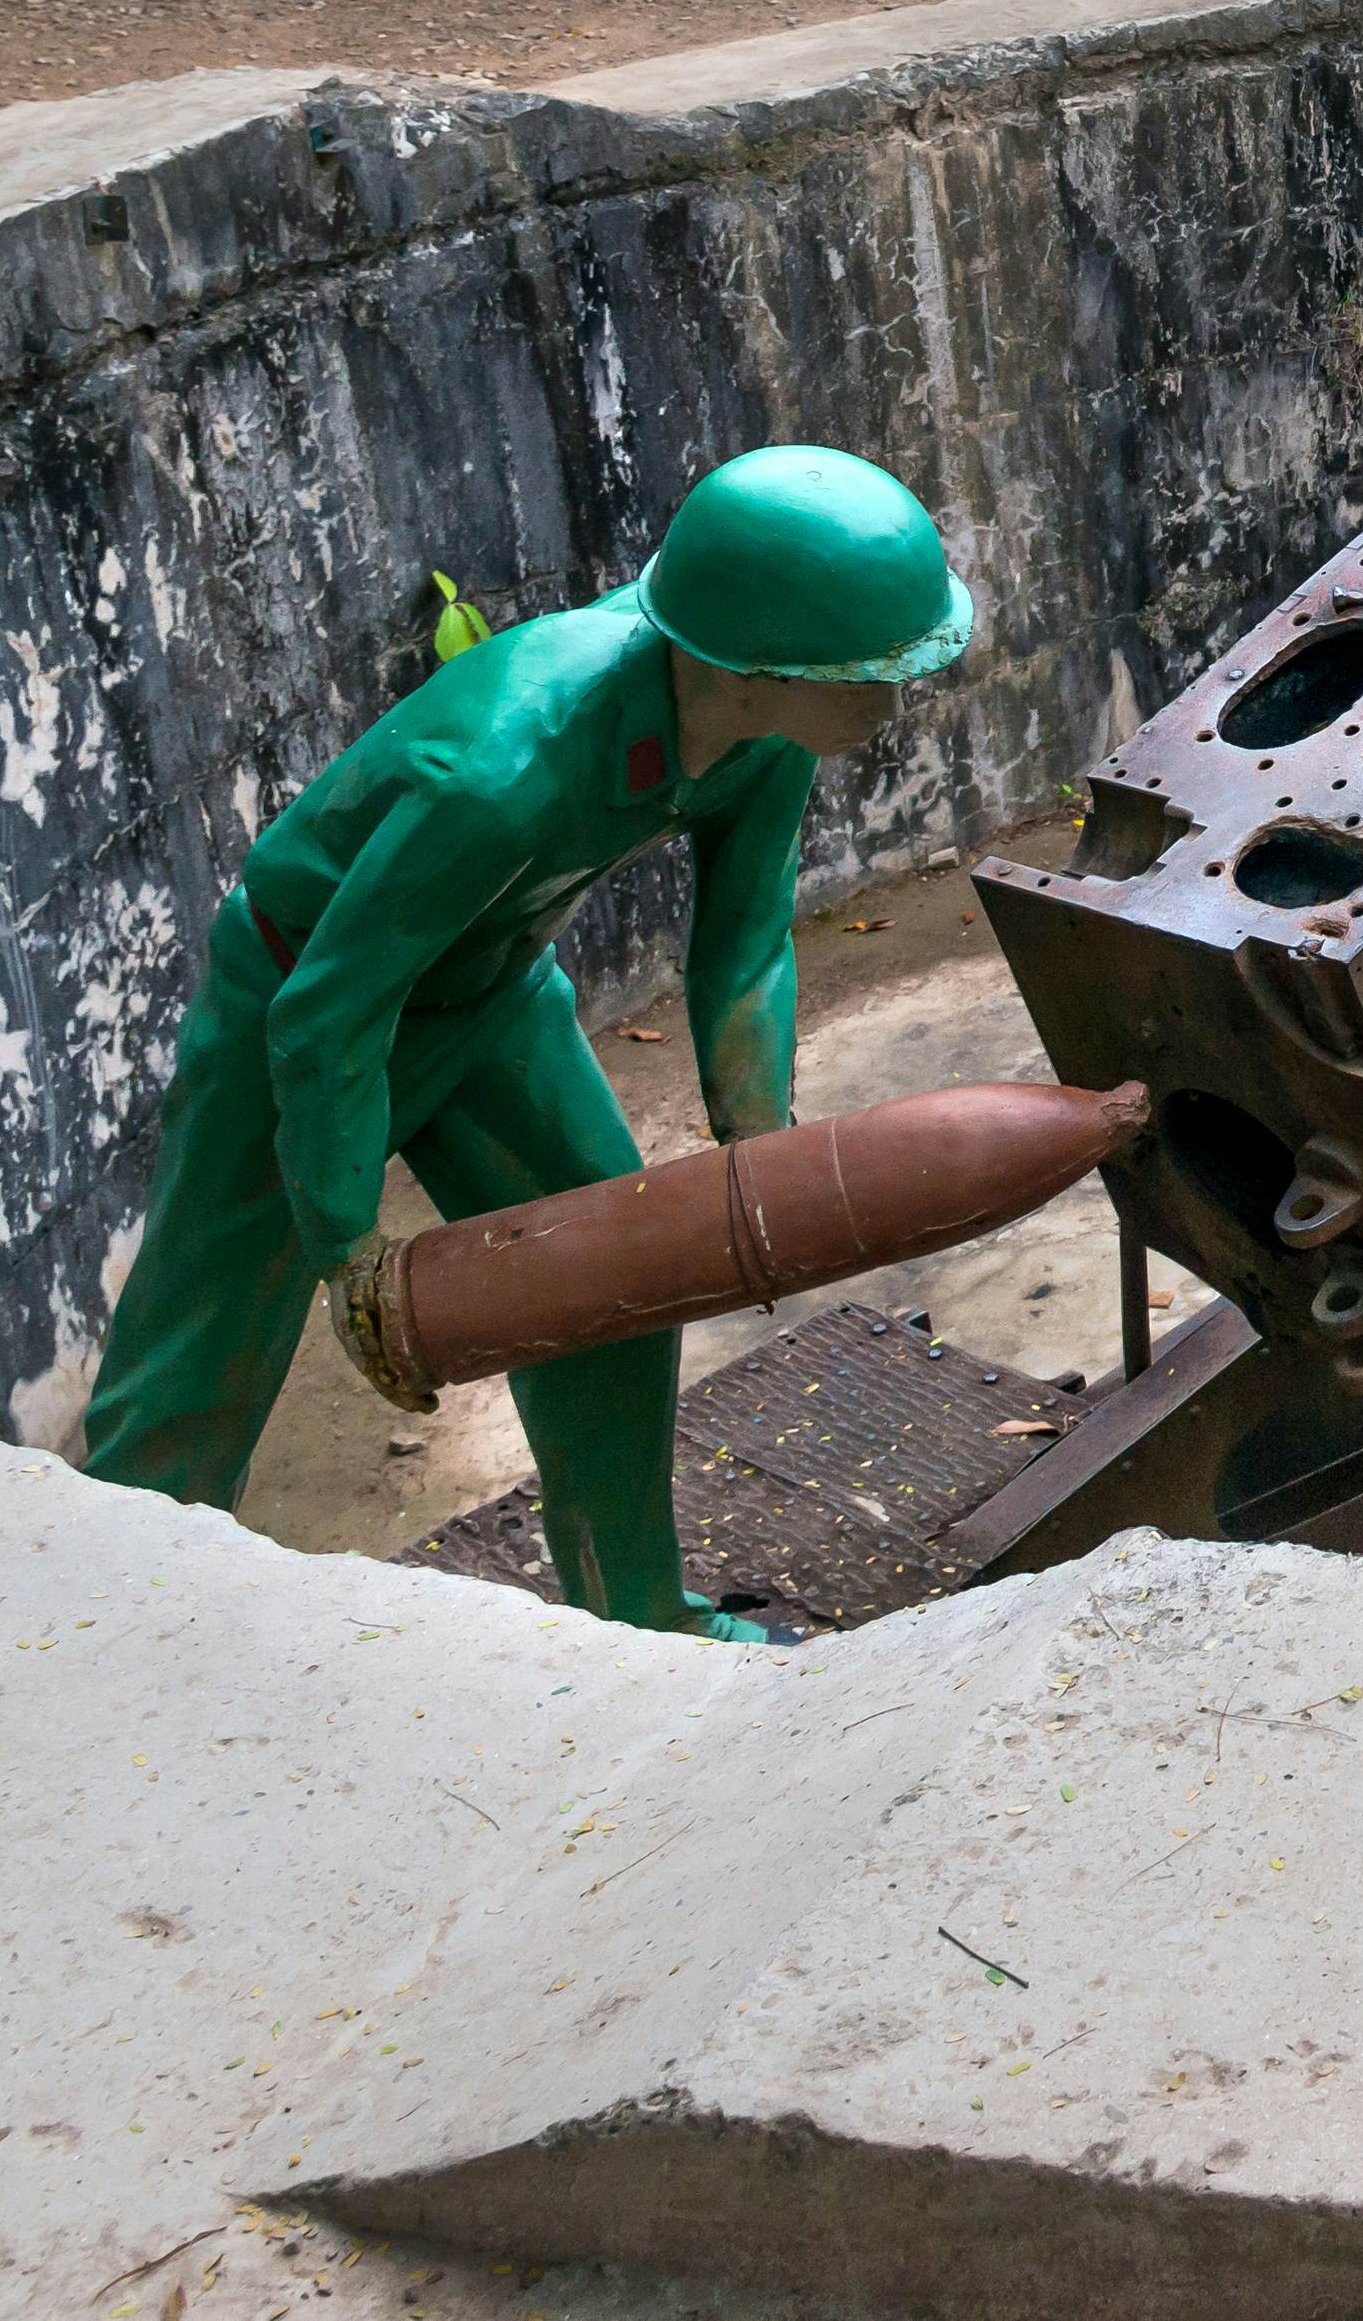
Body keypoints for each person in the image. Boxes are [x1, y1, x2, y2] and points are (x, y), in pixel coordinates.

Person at [75, 444, 974, 1637]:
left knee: (613, 1287)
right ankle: (103, 1636)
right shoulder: (503, 765)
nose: (899, 695)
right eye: (878, 670)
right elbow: (332, 1008)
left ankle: (639, 1618)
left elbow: (746, 939)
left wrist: (760, 1148)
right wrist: (348, 1253)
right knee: (198, 1357)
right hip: (299, 1000)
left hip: (492, 988)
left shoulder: (764, 734)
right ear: (759, 660)